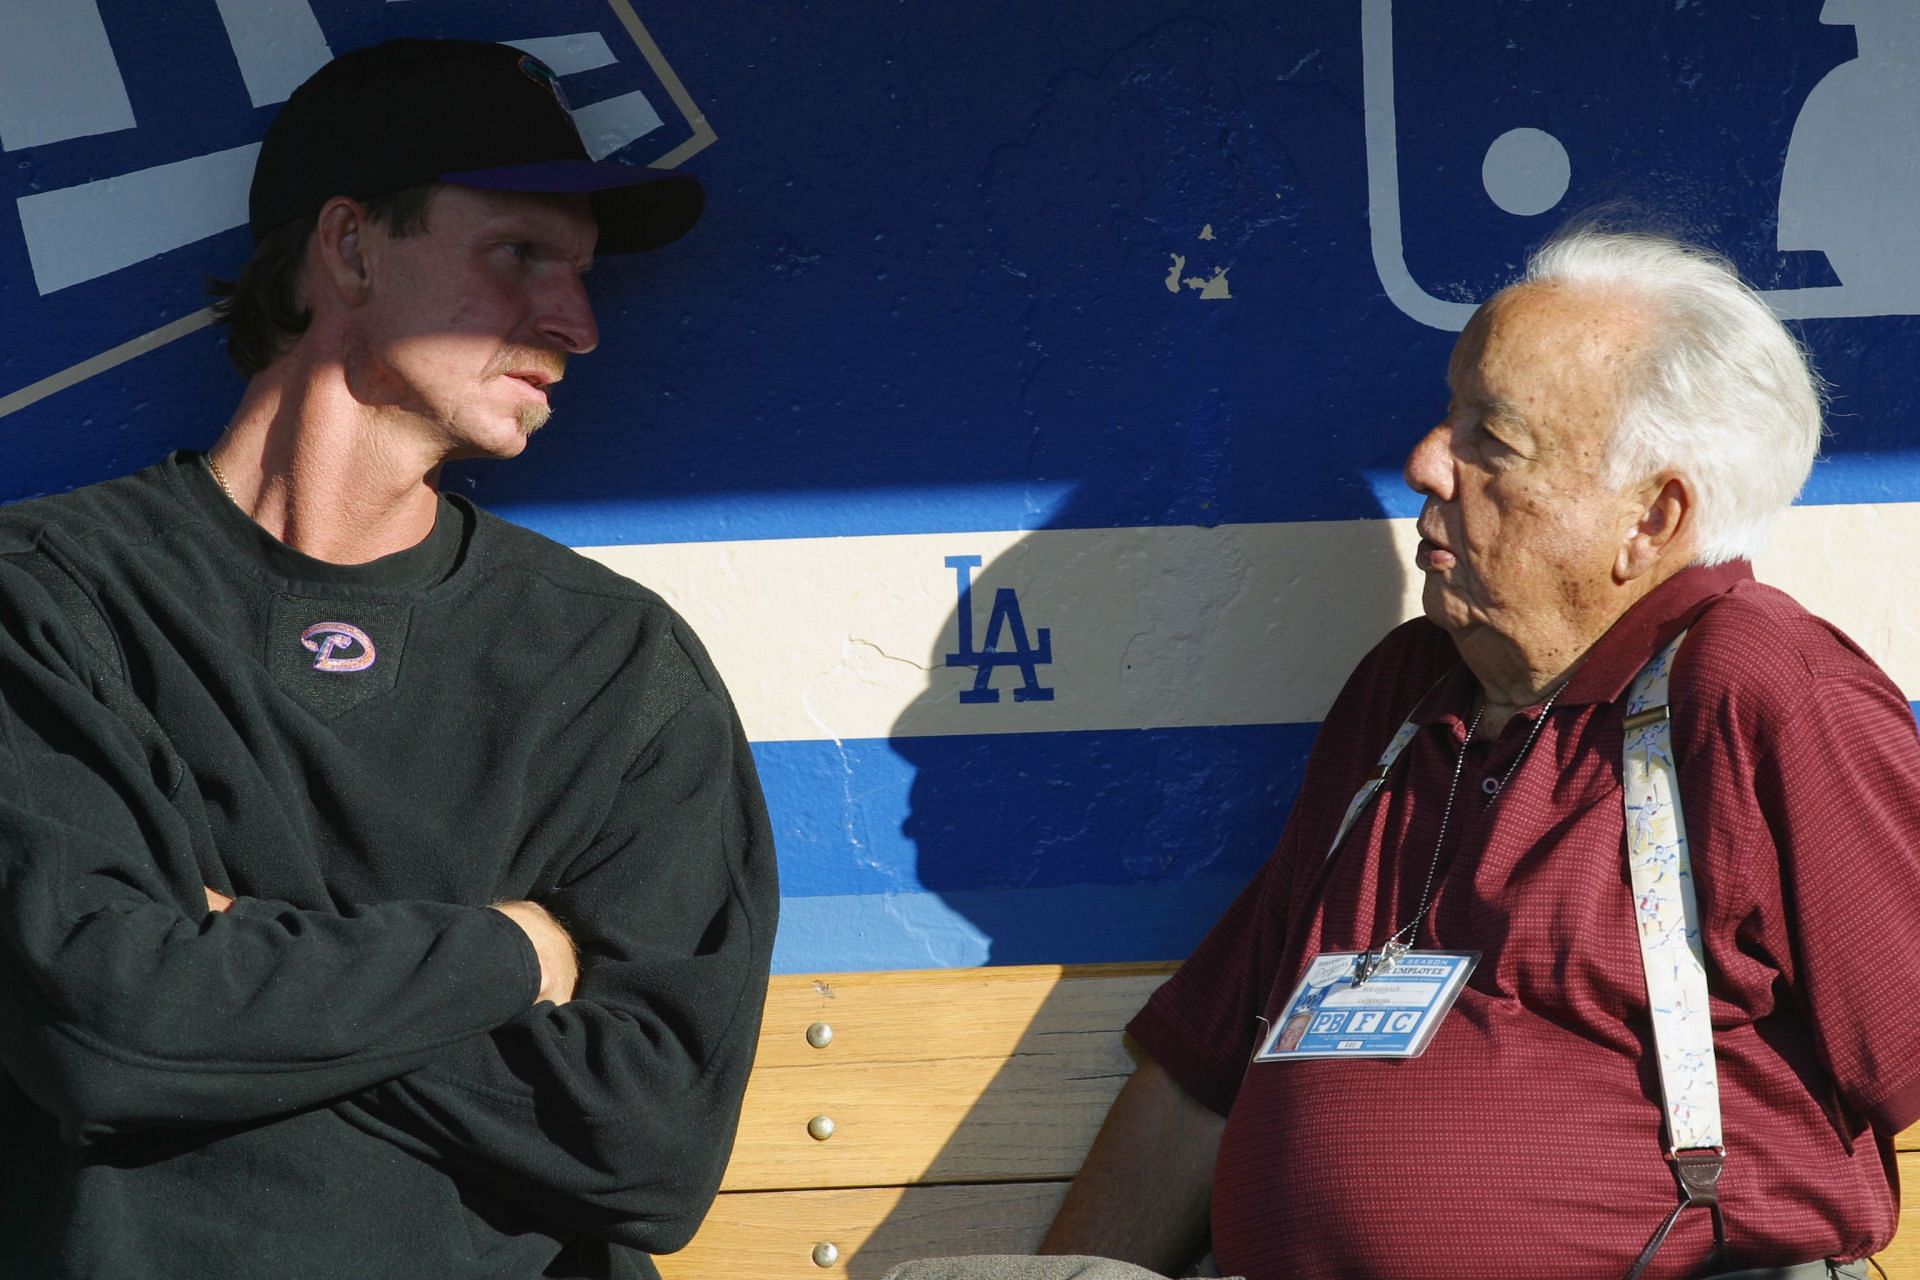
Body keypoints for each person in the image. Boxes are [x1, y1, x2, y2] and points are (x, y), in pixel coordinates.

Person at [890, 227, 1920, 1280]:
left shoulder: (1755, 683)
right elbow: (1213, 1069)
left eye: (1493, 440)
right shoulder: (1406, 689)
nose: (1427, 460)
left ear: (1649, 518)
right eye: (1451, 416)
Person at [0, 38, 776, 1280]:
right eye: (519, 253)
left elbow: (651, 1141)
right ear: (350, 247)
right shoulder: (48, 595)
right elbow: (104, 1022)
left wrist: (231, 968)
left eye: (582, 276)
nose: (574, 322)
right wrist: (515, 953)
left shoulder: (613, 659)